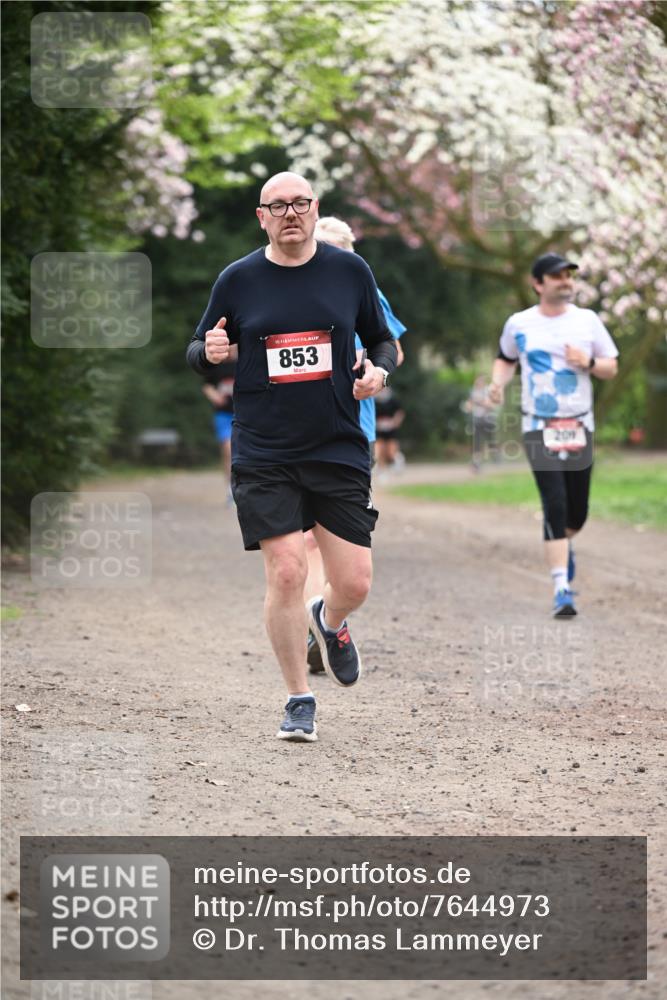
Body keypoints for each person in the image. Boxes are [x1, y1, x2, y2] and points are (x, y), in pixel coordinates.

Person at [186, 173, 398, 741]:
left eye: (300, 204)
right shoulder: (239, 278)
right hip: (264, 447)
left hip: (335, 445)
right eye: (277, 206)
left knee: (354, 583)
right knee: (287, 570)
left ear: (315, 209)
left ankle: (329, 622)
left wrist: (377, 371)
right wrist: (208, 352)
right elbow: (198, 348)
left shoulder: (349, 271)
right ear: (262, 217)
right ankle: (297, 698)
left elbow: (381, 341)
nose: (290, 214)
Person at [304, 215, 407, 674]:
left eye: (336, 251)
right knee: (305, 539)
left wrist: (373, 368)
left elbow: (394, 347)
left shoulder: (366, 289)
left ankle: (329, 615)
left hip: (353, 431)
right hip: (297, 429)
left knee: (339, 537)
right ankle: (314, 622)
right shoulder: (288, 286)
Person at [488, 253, 618, 617]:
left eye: (569, 275)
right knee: (554, 503)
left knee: (577, 513)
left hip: (578, 425)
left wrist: (589, 363)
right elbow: (505, 357)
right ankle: (562, 588)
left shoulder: (588, 322)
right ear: (538, 284)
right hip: (538, 426)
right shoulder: (519, 323)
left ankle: (563, 543)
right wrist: (498, 384)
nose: (566, 281)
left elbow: (611, 366)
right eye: (557, 276)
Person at [201, 360, 236, 500]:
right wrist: (214, 395)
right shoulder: (217, 364)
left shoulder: (247, 358)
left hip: (245, 413)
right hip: (224, 414)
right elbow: (206, 385)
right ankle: (230, 489)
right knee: (228, 449)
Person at [462, 375, 500, 472]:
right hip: (477, 420)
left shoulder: (488, 391)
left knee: (491, 440)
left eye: (481, 381)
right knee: (477, 442)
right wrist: (468, 407)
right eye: (478, 381)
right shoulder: (473, 392)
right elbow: (469, 405)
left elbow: (491, 405)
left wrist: (480, 402)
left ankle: (496, 457)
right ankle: (477, 462)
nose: (479, 382)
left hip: (488, 420)